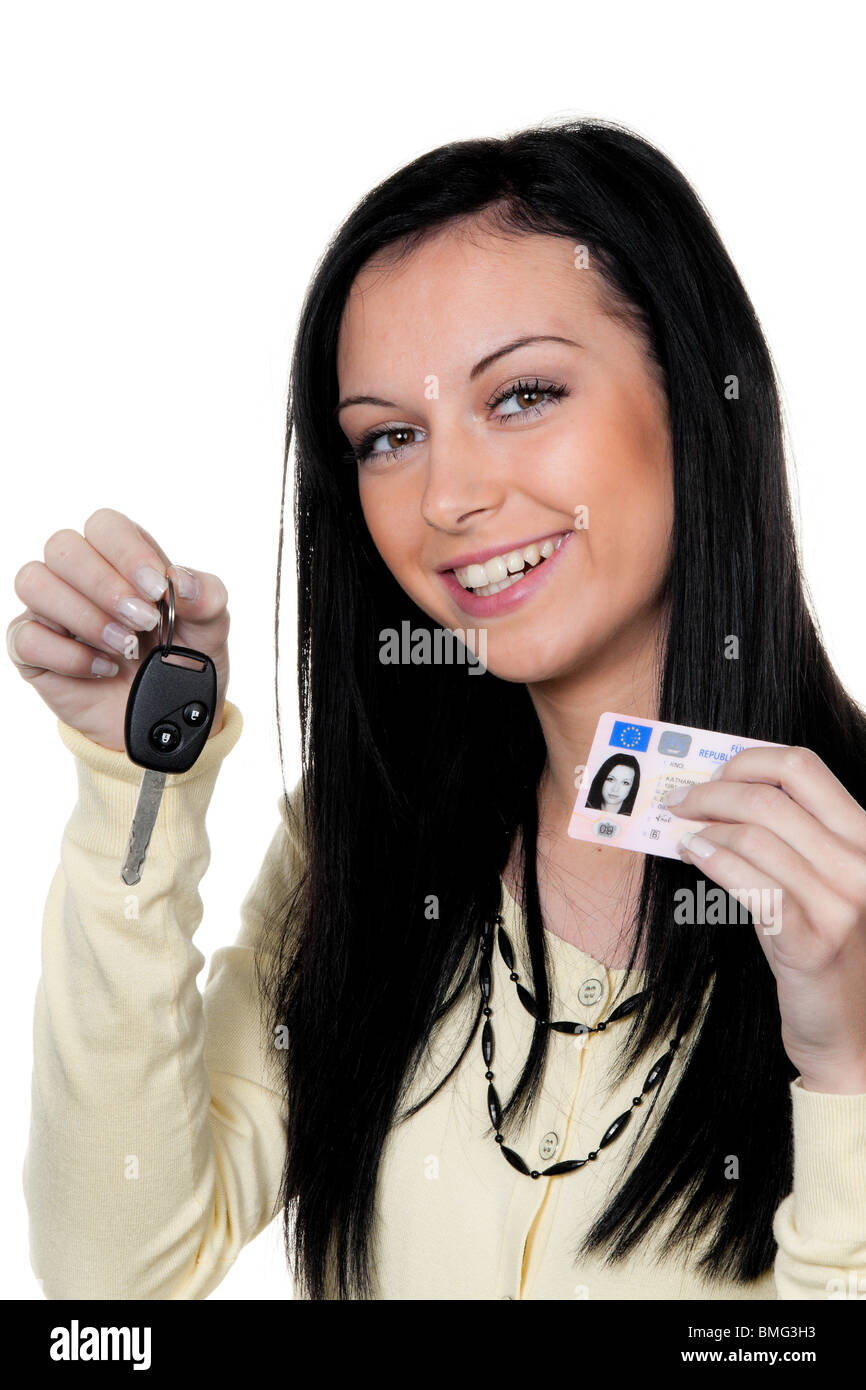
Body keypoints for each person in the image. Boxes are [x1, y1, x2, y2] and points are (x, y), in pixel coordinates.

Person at [11, 117, 866, 1302]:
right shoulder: (366, 837)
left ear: (696, 396)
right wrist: (134, 785)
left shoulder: (851, 885)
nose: (450, 496)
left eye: (521, 394)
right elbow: (114, 1274)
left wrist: (844, 1068)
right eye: (389, 437)